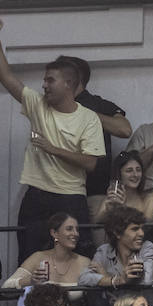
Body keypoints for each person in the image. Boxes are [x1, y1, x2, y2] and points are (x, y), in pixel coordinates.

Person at [0, 19, 104, 260]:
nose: (44, 85)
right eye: (44, 80)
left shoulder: (89, 118)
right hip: (37, 195)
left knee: (77, 260)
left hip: (71, 197)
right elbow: (5, 76)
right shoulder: (37, 104)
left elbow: (91, 163)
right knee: (30, 260)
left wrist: (53, 149)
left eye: (50, 80)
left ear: (69, 84)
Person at [61, 55, 131, 212]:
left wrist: (85, 114)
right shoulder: (52, 105)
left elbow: (124, 129)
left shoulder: (98, 104)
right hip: (59, 189)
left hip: (94, 191)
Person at [78, 205, 153, 306]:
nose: (141, 233)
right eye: (134, 229)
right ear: (117, 233)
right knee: (97, 305)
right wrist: (117, 280)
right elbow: (83, 278)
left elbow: (149, 279)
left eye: (141, 228)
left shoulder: (147, 247)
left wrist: (106, 277)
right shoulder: (104, 251)